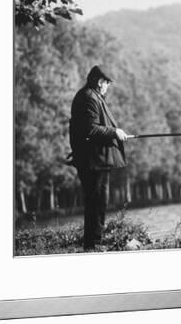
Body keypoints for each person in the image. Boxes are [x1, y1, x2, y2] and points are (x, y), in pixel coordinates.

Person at [69, 65, 129, 250]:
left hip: (97, 161)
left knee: (97, 202)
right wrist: (115, 132)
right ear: (99, 81)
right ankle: (93, 244)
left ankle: (93, 243)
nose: (107, 87)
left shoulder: (92, 96)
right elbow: (91, 129)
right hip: (93, 162)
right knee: (96, 203)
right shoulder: (88, 97)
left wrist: (115, 133)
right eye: (107, 83)